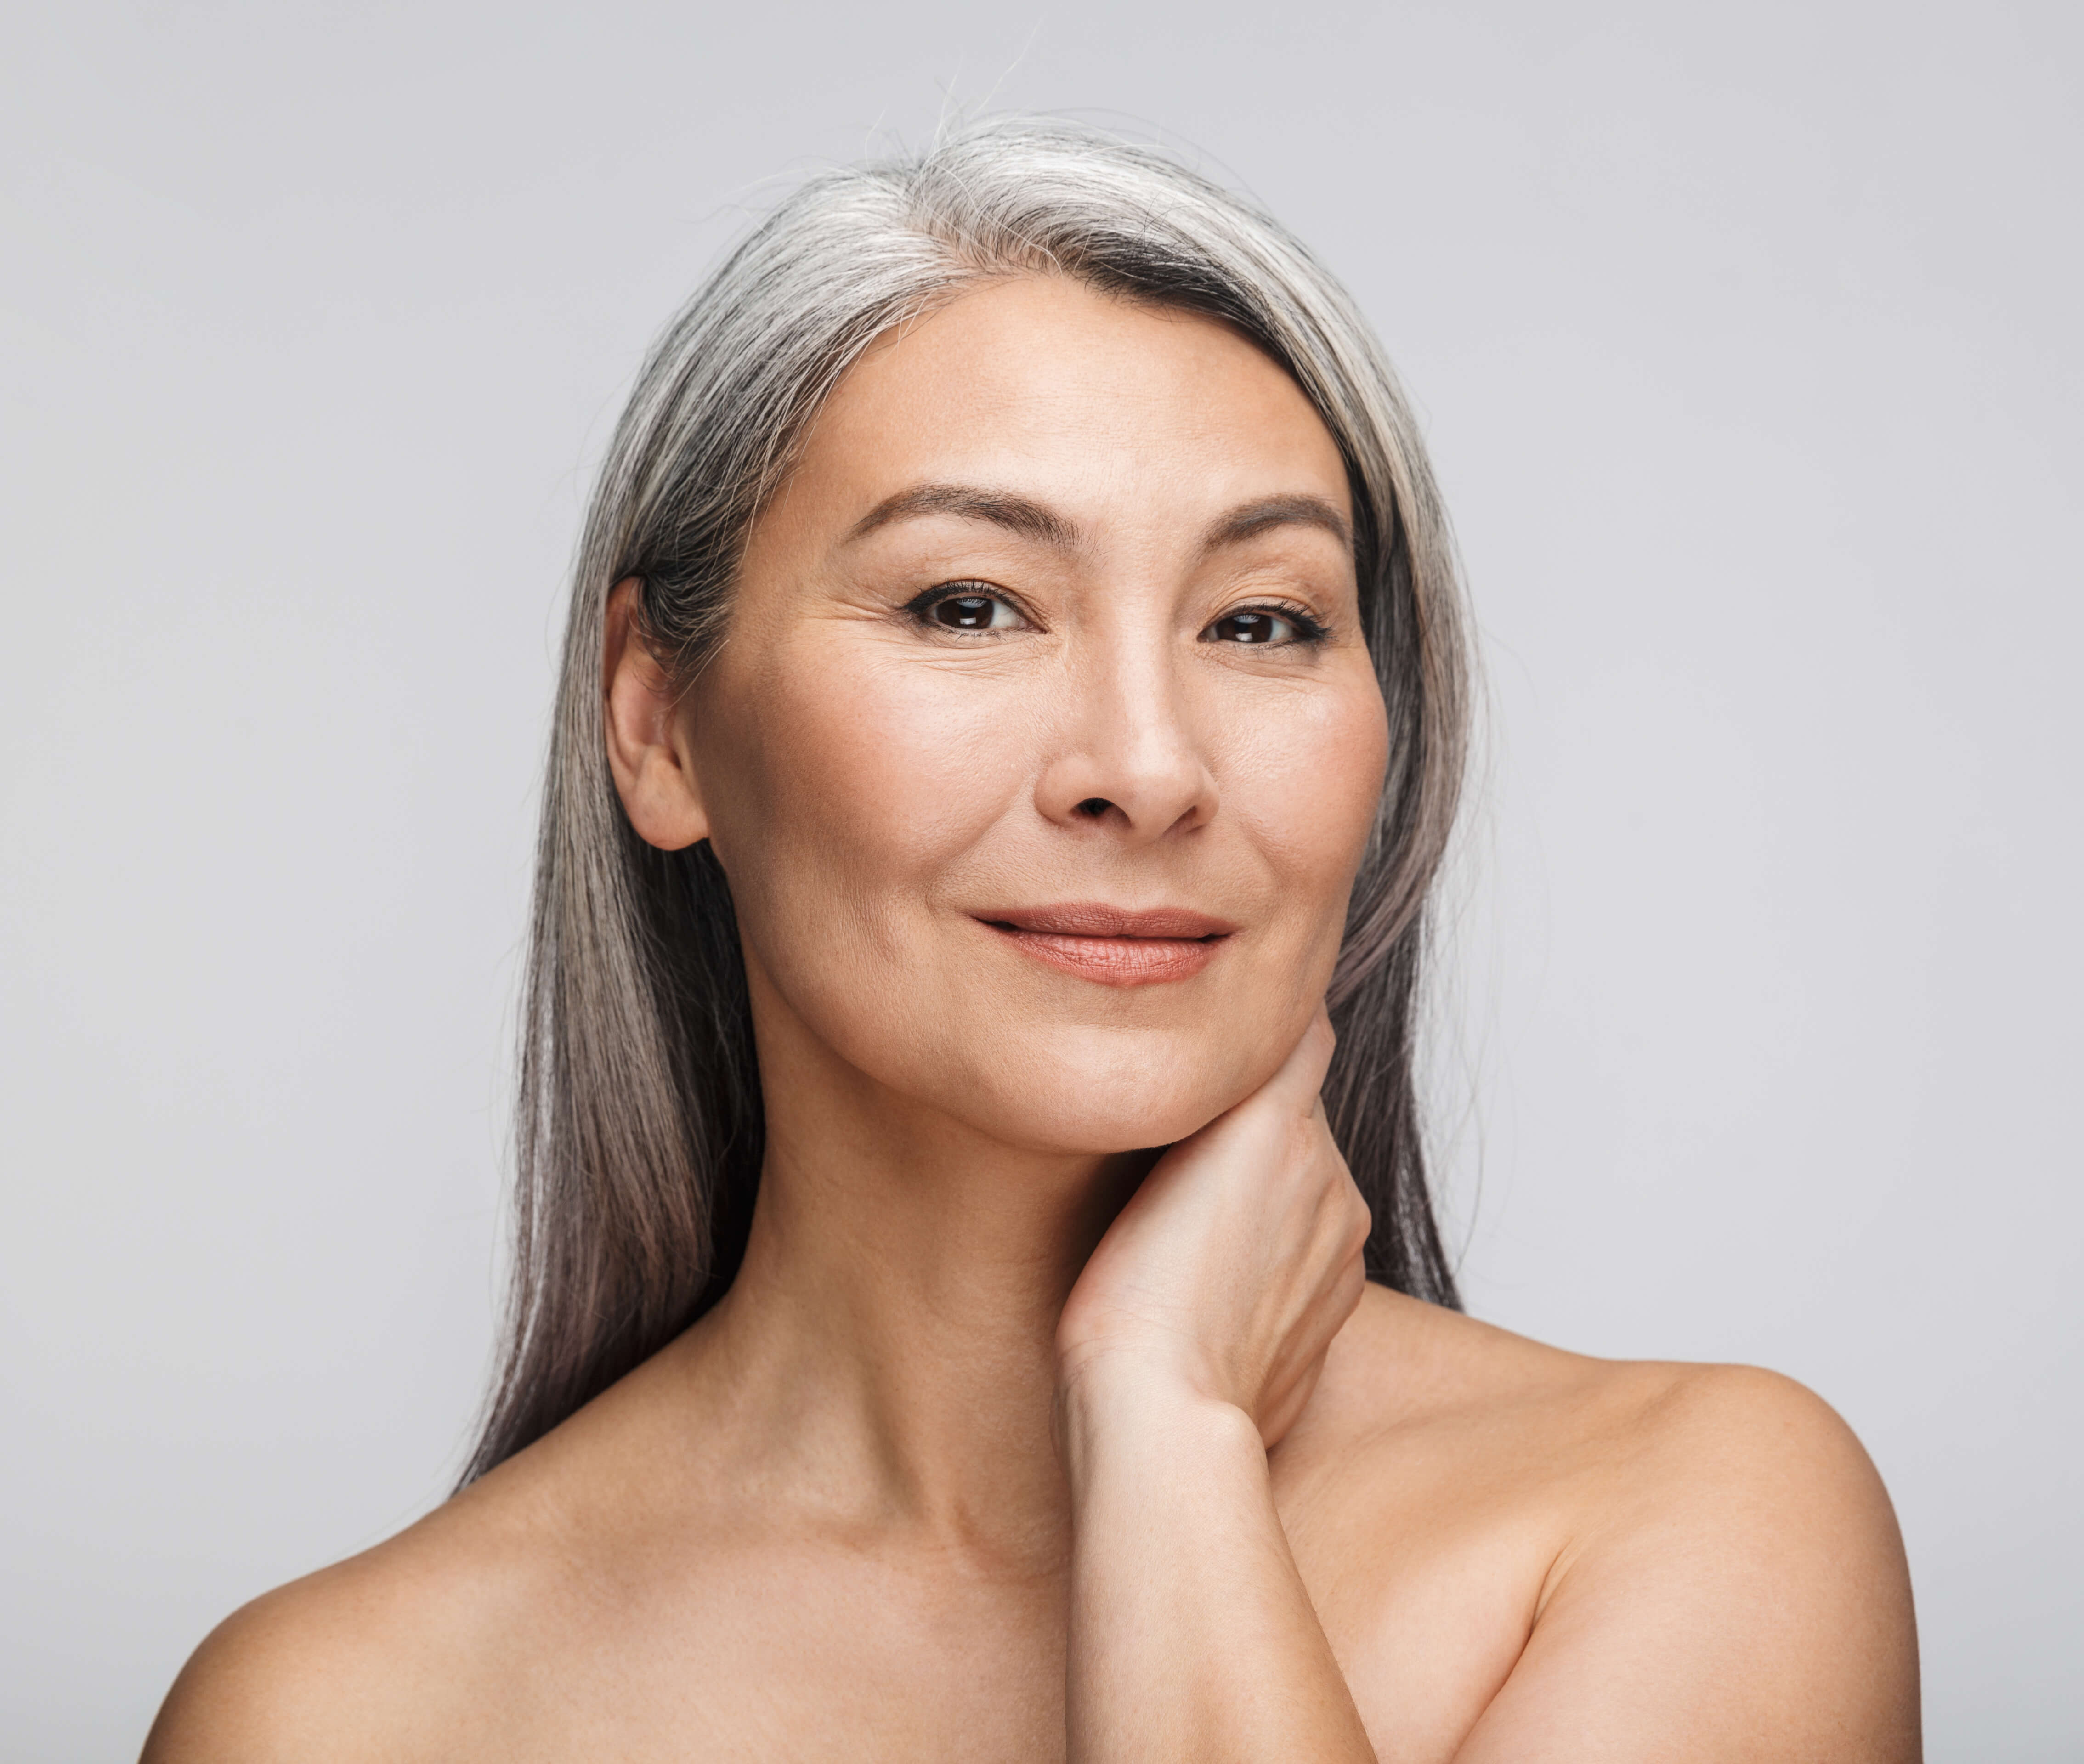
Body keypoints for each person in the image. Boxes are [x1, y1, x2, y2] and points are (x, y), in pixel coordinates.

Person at [141, 119, 1918, 1761]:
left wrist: (1168, 1428)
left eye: (1262, 622)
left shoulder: (1688, 1525)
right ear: (657, 720)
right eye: (969, 604)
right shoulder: (339, 1715)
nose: (1146, 768)